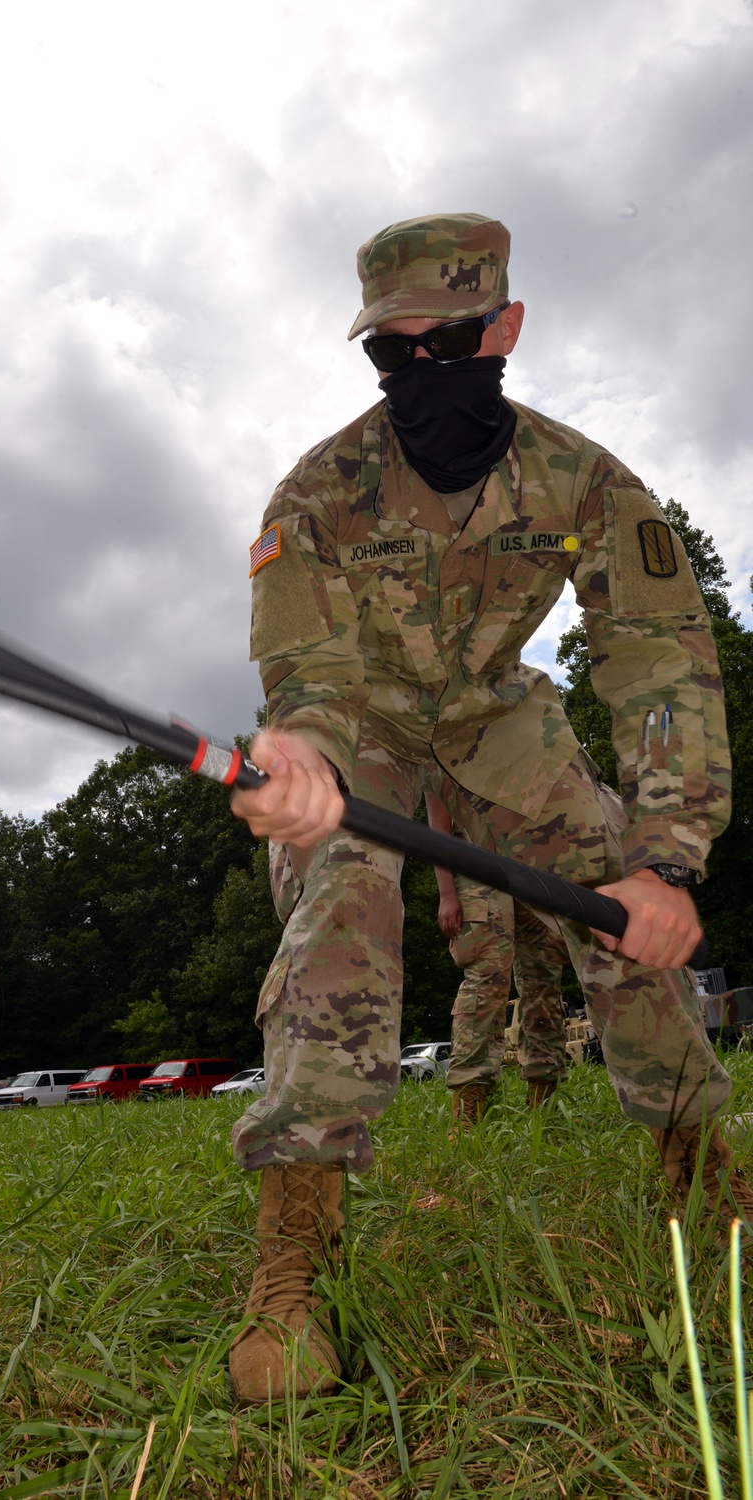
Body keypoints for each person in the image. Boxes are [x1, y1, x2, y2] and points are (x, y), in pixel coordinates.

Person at [227, 213, 748, 1405]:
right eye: (389, 354)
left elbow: (659, 661)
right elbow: (307, 676)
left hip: (500, 722)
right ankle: (296, 1254)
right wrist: (301, 759)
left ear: (503, 329)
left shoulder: (581, 479)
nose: (420, 374)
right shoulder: (316, 493)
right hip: (364, 722)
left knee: (613, 887)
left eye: (447, 343)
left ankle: (697, 1168)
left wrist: (665, 859)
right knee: (340, 889)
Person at [425, 790, 571, 1116]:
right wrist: (447, 894)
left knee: (543, 977)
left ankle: (544, 1101)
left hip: (531, 863)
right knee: (487, 979)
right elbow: (438, 830)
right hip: (475, 865)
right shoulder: (443, 744)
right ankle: (468, 1108)